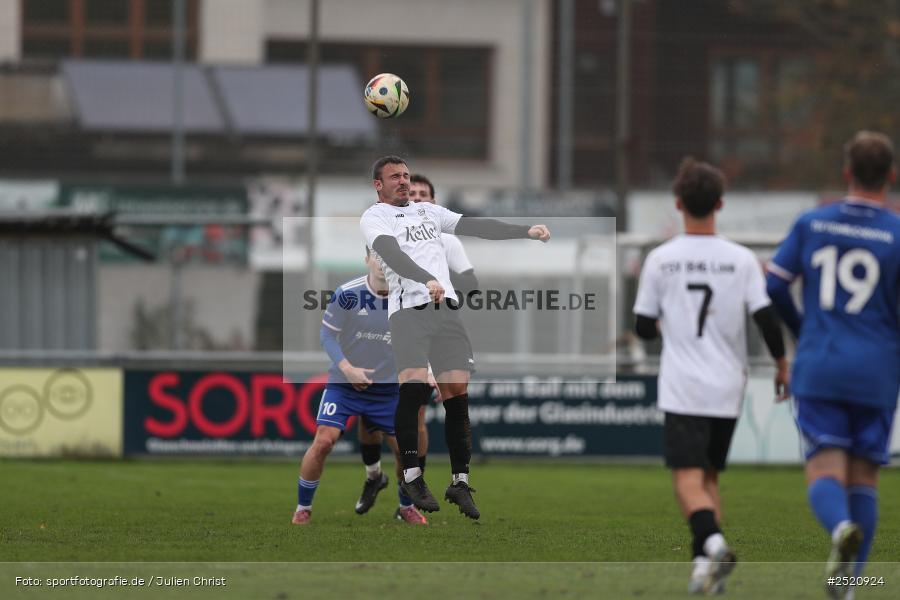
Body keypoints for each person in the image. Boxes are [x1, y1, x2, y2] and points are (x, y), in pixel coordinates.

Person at [360, 155, 549, 520]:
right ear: (378, 185)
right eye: (395, 177)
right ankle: (412, 476)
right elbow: (391, 254)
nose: (403, 181)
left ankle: (460, 483)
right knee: (413, 390)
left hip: (445, 310)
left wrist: (526, 231)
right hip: (409, 311)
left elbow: (478, 226)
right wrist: (424, 278)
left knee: (457, 398)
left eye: (406, 175)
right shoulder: (375, 216)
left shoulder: (428, 212)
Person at [633, 157, 788, 594]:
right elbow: (767, 318)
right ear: (720, 203)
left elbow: (644, 327)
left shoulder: (661, 259)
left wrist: (665, 322)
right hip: (728, 385)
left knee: (687, 479)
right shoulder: (740, 260)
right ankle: (705, 567)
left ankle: (714, 542)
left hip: (684, 386)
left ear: (678, 202)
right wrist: (781, 364)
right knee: (709, 479)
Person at [766, 131, 900, 597]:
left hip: (821, 363)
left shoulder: (813, 223)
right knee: (865, 478)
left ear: (846, 173)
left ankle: (840, 526)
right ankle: (848, 585)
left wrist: (805, 331)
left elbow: (776, 286)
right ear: (891, 176)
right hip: (878, 370)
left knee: (824, 469)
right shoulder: (897, 233)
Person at [356, 173, 479, 498]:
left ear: (434, 202)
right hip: (391, 327)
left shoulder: (448, 240)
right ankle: (376, 476)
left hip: (437, 324)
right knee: (373, 417)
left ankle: (409, 494)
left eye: (425, 194)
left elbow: (471, 285)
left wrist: (444, 296)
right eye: (415, 192)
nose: (419, 197)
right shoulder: (388, 225)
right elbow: (379, 264)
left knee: (422, 410)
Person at [291, 248, 428, 526]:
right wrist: (347, 368)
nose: (382, 264)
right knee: (324, 441)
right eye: (378, 256)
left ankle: (406, 507)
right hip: (345, 385)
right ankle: (303, 508)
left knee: (405, 450)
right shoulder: (347, 293)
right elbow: (327, 335)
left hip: (388, 390)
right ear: (367, 259)